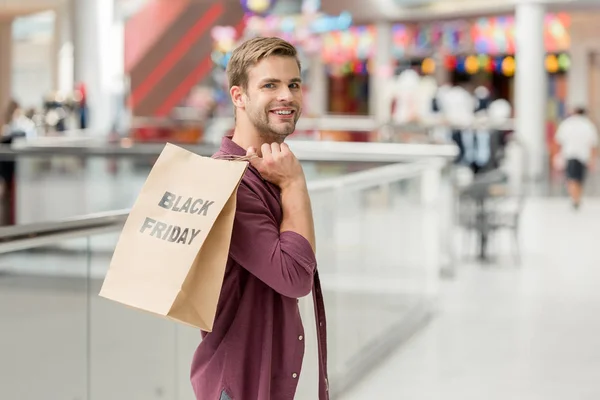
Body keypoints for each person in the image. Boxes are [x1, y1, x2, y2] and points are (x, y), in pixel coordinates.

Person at [190, 37, 329, 400]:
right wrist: (295, 182)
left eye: (293, 84)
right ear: (238, 97)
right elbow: (295, 276)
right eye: (270, 84)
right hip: (239, 385)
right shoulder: (229, 182)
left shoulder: (267, 171)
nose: (287, 95)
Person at [555, 107, 599, 209]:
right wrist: (593, 159)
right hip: (583, 156)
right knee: (579, 179)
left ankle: (574, 198)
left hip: (570, 154)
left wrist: (557, 155)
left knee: (572, 178)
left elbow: (559, 141)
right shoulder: (588, 125)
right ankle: (577, 198)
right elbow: (593, 144)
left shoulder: (567, 124)